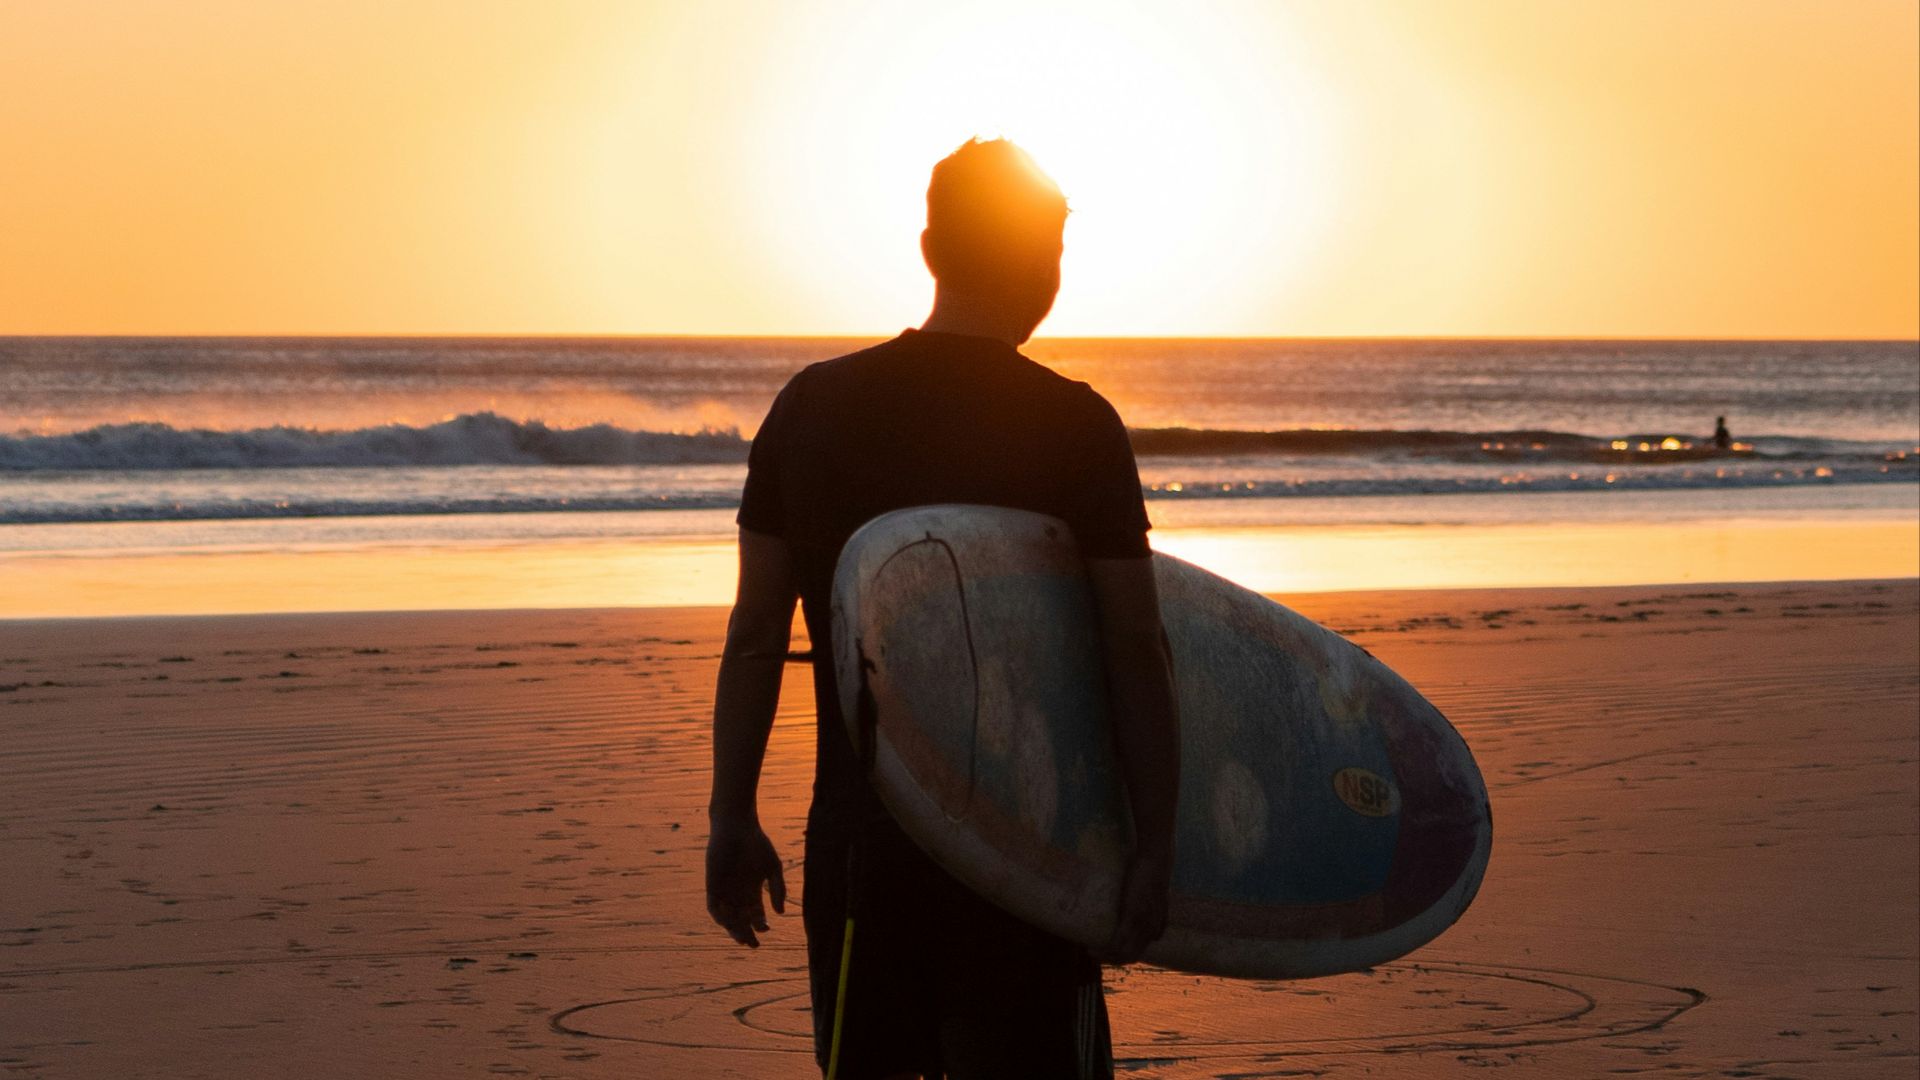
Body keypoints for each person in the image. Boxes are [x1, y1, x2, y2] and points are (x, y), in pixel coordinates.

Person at [705, 138, 1180, 1080]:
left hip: (861, 849)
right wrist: (1159, 843)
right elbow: (1134, 641)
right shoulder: (1076, 424)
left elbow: (758, 634)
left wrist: (731, 816)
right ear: (1047, 267)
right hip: (1029, 854)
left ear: (929, 247)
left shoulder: (810, 408)